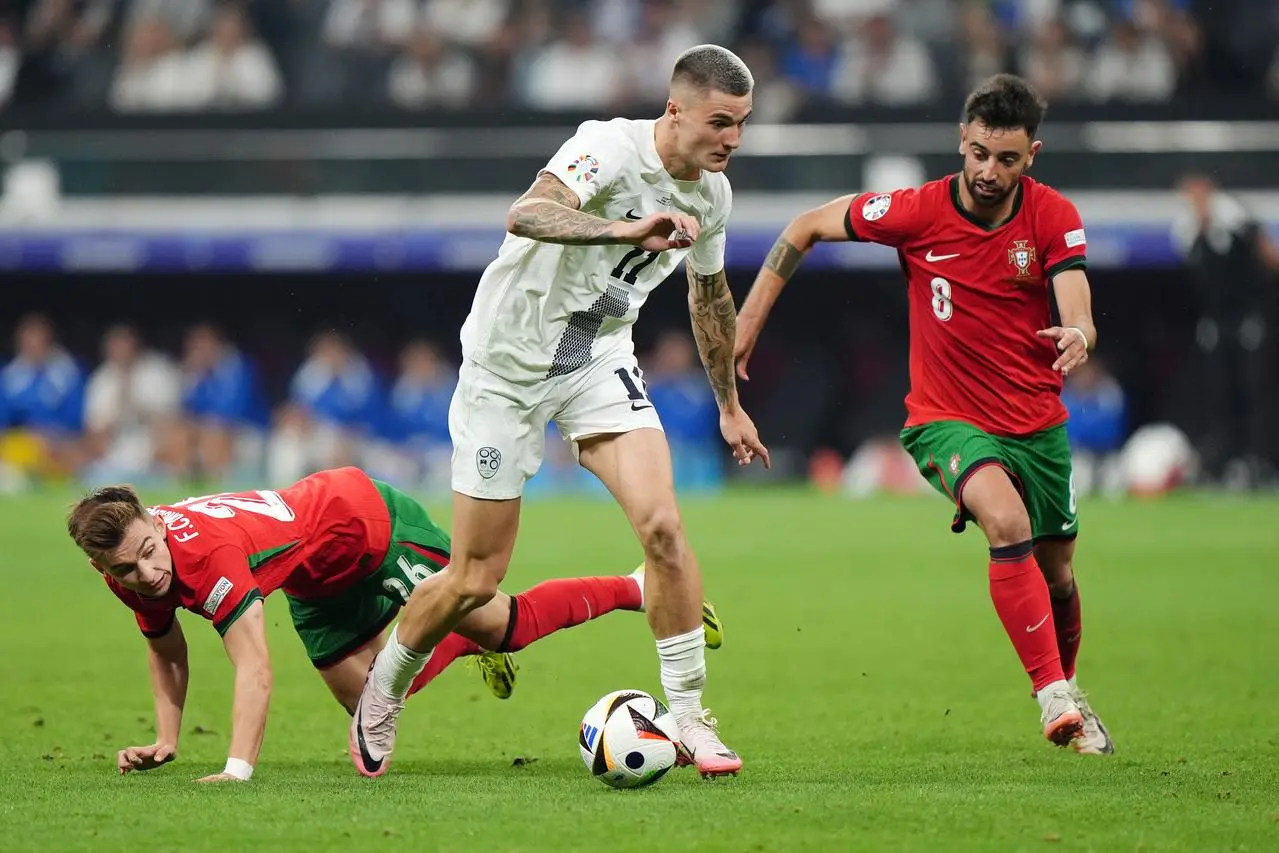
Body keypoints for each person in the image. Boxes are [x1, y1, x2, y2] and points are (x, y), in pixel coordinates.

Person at [349, 44, 769, 780]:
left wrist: (729, 405)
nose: (731, 139)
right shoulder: (606, 146)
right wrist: (621, 228)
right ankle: (384, 688)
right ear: (676, 110)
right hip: (504, 373)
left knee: (664, 529)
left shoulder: (711, 195)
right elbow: (528, 212)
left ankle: (692, 716)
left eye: (740, 124)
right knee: (476, 578)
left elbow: (708, 297)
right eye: (720, 122)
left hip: (597, 363)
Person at [734, 73, 1113, 755]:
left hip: (1036, 423)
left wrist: (1079, 332)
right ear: (959, 142)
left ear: (1032, 154)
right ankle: (1051, 697)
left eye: (1006, 159)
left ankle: (1071, 686)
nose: (988, 171)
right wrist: (747, 322)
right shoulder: (915, 210)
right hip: (945, 418)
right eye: (977, 153)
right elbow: (805, 225)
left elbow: (1074, 293)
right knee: (1005, 520)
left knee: (1057, 572)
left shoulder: (1051, 215)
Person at [66, 466, 723, 782]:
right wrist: (167, 738)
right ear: (104, 565)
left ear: (153, 518)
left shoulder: (209, 559)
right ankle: (460, 638)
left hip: (364, 526)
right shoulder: (129, 568)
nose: (147, 573)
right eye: (126, 568)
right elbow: (166, 647)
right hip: (310, 573)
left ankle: (642, 587)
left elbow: (254, 666)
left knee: (506, 622)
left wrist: (236, 768)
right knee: (366, 700)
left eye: (149, 551)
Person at [1171, 174, 1278, 488]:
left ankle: (1259, 461)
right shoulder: (1188, 229)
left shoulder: (1238, 220)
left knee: (1256, 393)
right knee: (1218, 395)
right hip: (1216, 324)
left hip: (1247, 319)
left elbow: (1267, 261)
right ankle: (1223, 464)